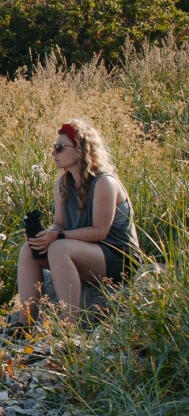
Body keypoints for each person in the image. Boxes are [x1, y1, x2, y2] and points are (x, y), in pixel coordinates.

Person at [16, 118, 141, 321]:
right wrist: (44, 235)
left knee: (59, 247)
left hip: (118, 256)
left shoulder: (104, 182)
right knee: (29, 249)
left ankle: (69, 326)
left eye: (60, 147)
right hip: (83, 252)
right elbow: (60, 224)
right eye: (54, 147)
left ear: (81, 150)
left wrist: (57, 237)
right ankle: (24, 322)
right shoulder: (62, 183)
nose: (54, 152)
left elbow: (99, 231)